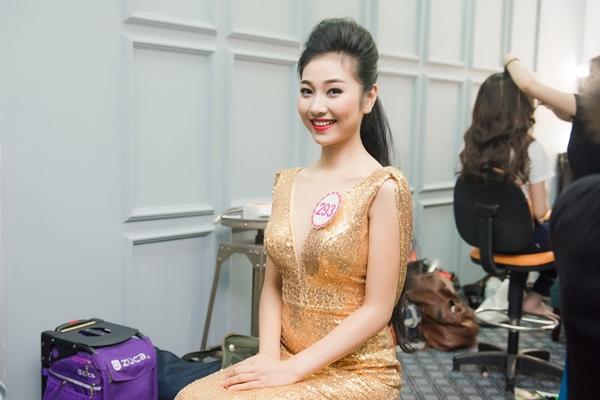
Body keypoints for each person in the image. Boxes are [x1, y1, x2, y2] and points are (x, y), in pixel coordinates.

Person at [176, 18, 413, 400]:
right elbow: (273, 285)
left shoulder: (383, 188)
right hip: (285, 358)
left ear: (369, 97)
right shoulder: (287, 183)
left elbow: (377, 310)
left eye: (334, 91)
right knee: (191, 396)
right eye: (306, 91)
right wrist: (269, 358)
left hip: (358, 372)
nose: (316, 106)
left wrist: (292, 371)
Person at [458, 72, 557, 318]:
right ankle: (534, 298)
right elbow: (540, 212)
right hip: (521, 239)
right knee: (569, 236)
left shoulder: (469, 147)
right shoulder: (531, 149)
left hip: (483, 238)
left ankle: (518, 297)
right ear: (522, 105)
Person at [504, 54, 600, 180]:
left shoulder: (587, 106)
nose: (585, 81)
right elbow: (566, 115)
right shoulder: (589, 113)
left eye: (592, 75)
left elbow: (527, 85)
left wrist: (509, 59)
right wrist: (551, 104)